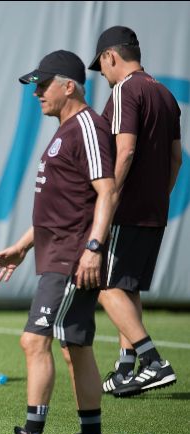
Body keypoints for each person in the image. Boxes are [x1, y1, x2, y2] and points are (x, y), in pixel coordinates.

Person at [0, 50, 116, 434]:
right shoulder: (66, 130)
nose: (37, 92)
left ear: (69, 85)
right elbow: (62, 205)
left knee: (34, 341)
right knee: (75, 348)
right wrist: (24, 245)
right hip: (56, 252)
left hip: (72, 256)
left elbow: (107, 191)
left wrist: (94, 248)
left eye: (43, 84)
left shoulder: (87, 127)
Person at [87, 26, 181, 398]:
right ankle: (127, 369)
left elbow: (123, 151)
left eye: (102, 66)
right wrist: (159, 195)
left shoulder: (127, 89)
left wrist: (107, 197)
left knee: (105, 286)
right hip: (154, 207)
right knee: (127, 287)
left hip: (125, 207)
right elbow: (176, 158)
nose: (104, 75)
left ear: (111, 56)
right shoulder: (165, 94)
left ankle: (153, 360)